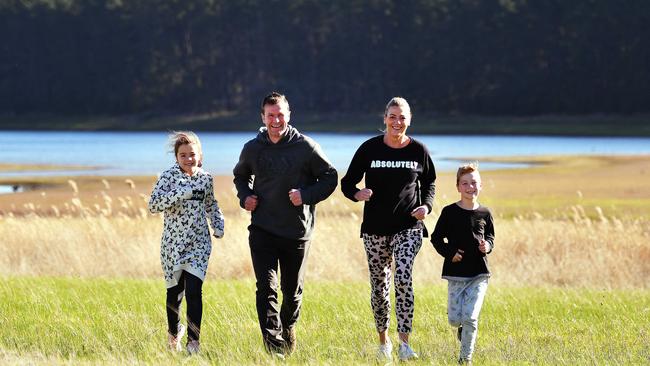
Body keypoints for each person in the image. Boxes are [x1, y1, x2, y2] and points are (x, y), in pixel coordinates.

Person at [233, 92, 338, 357]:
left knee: (291, 293)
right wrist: (245, 197)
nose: (276, 120)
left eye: (280, 115)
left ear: (288, 115)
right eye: (271, 115)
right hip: (263, 230)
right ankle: (274, 347)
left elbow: (330, 177)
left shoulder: (306, 147)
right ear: (263, 117)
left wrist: (306, 195)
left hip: (296, 233)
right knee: (266, 288)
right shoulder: (253, 148)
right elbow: (240, 177)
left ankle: (287, 326)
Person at [340, 97, 436, 362]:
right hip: (375, 230)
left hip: (408, 227)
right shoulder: (369, 149)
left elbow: (430, 184)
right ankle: (384, 342)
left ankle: (405, 344)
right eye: (392, 117)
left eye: (402, 117)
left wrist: (426, 207)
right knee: (379, 287)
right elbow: (347, 183)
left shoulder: (419, 151)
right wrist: (358, 193)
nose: (397, 122)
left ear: (409, 120)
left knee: (403, 276)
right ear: (384, 119)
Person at [148, 131, 225, 355]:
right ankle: (174, 334)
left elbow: (211, 204)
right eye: (183, 155)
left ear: (199, 155)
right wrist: (181, 192)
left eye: (192, 154)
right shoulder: (168, 177)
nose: (188, 159)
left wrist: (218, 224)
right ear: (176, 157)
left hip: (198, 244)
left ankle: (194, 342)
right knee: (174, 294)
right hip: (172, 246)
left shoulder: (206, 178)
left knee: (194, 291)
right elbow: (153, 205)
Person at [431, 162, 495, 364]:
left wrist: (488, 246)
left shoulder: (485, 213)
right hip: (456, 273)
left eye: (474, 183)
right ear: (458, 187)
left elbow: (491, 237)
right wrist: (450, 253)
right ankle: (461, 328)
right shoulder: (449, 212)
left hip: (479, 274)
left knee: (471, 318)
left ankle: (465, 358)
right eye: (465, 183)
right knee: (455, 319)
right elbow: (436, 238)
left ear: (480, 185)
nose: (470, 187)